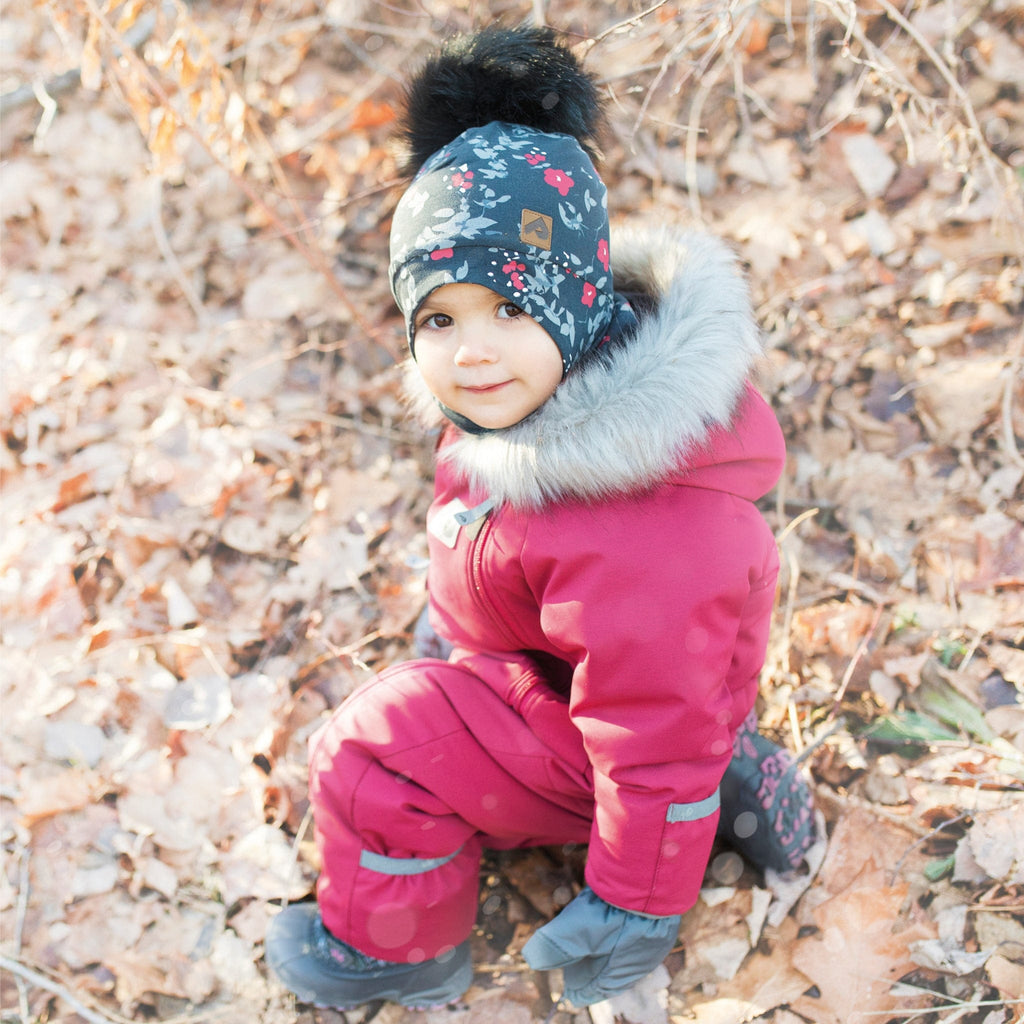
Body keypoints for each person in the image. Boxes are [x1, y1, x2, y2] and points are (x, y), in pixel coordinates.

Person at [265, 25, 814, 1011]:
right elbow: (489, 545)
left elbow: (650, 727)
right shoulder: (523, 402)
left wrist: (635, 906)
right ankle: (714, 776)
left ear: (573, 301)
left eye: (509, 308)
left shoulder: (648, 525)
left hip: (602, 730)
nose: (471, 351)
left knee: (374, 751)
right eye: (439, 318)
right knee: (586, 717)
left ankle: (399, 948)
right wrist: (452, 644)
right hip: (567, 687)